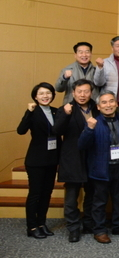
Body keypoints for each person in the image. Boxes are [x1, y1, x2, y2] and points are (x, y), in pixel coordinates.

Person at [53, 79, 101, 242]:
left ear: (91, 93)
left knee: (91, 193)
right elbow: (56, 130)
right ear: (73, 93)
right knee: (72, 195)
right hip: (72, 157)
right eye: (79, 91)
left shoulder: (97, 107)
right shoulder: (66, 109)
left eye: (86, 91)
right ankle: (73, 227)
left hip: (93, 156)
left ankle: (88, 222)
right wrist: (66, 115)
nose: (82, 95)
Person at [78, 91, 119, 244]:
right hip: (100, 168)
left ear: (116, 104)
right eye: (104, 102)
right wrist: (89, 129)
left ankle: (118, 226)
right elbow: (82, 145)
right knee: (99, 202)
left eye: (111, 101)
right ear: (98, 107)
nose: (108, 105)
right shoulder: (94, 122)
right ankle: (99, 230)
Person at [17, 82, 60, 239]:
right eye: (41, 93)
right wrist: (28, 112)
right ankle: (32, 226)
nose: (45, 96)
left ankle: (41, 223)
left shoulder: (56, 112)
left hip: (52, 159)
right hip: (36, 160)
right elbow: (21, 130)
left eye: (48, 93)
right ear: (35, 96)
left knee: (47, 193)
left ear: (52, 95)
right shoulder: (33, 112)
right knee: (35, 194)